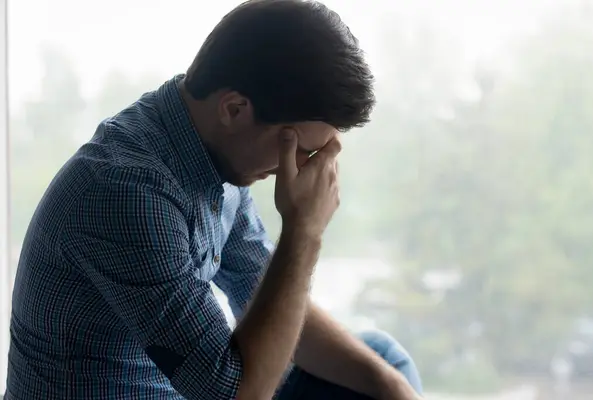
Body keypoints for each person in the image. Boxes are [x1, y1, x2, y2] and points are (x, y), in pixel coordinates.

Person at [5, 1, 423, 399]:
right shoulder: (127, 193)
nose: (297, 169)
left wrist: (391, 388)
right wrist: (305, 231)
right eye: (296, 147)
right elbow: (239, 393)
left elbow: (263, 294)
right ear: (235, 108)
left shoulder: (216, 154)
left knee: (380, 365)